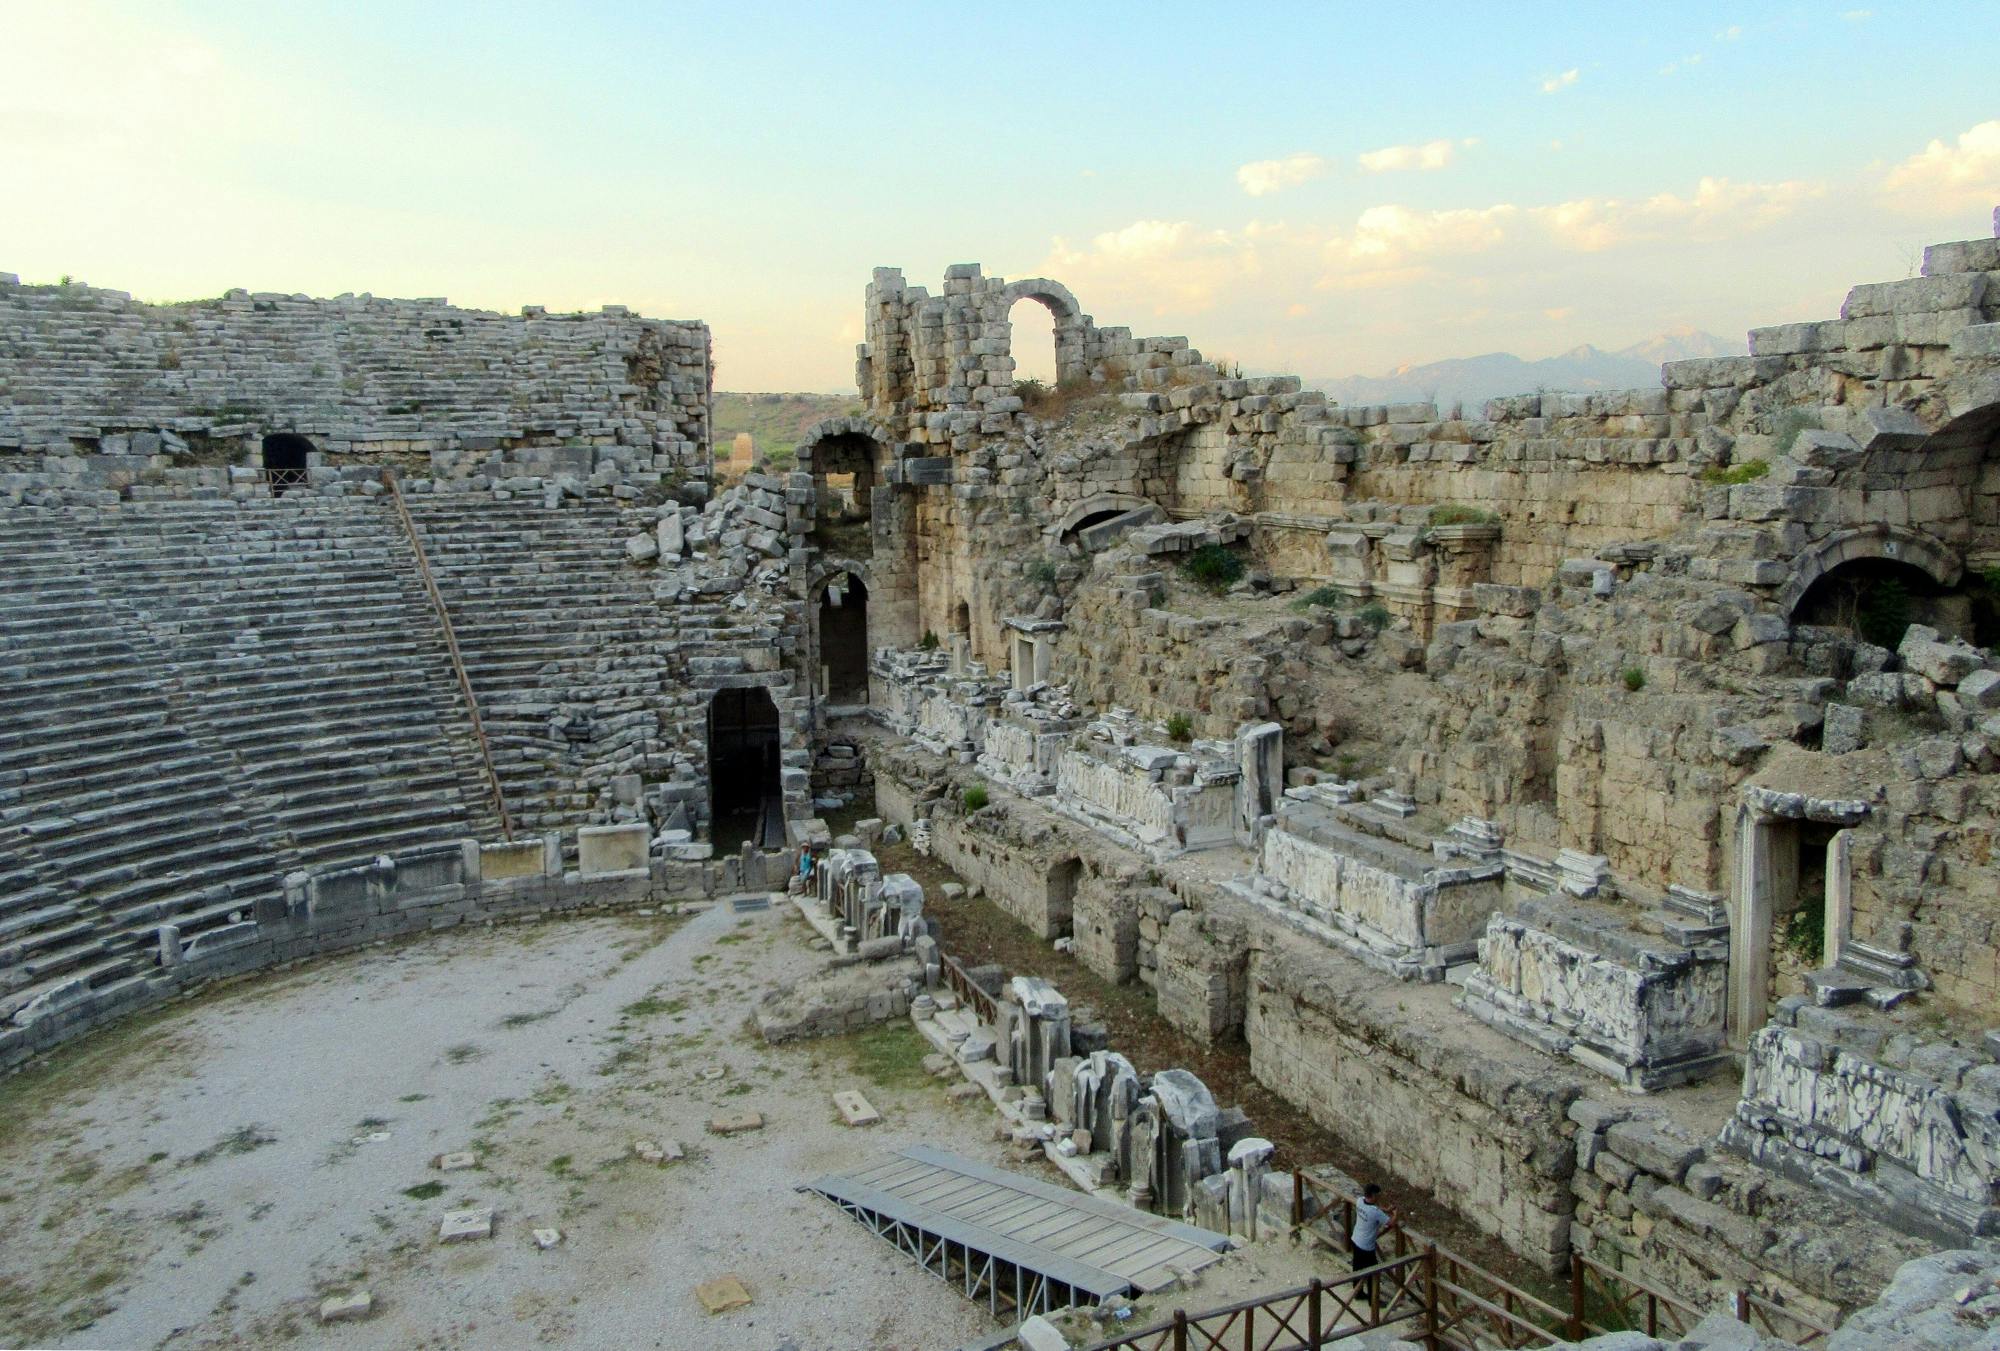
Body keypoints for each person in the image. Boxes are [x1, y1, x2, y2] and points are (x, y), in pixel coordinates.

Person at [1350, 1182, 1398, 1303]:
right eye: (1378, 1195)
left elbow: (1373, 1208)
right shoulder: (1375, 1212)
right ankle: (1373, 1300)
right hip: (1366, 1246)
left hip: (1356, 1239)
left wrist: (1386, 1210)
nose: (1379, 1197)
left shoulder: (1360, 1201)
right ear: (1373, 1195)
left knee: (1357, 1268)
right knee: (1373, 1273)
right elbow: (1391, 1223)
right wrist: (1396, 1215)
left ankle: (1357, 1292)